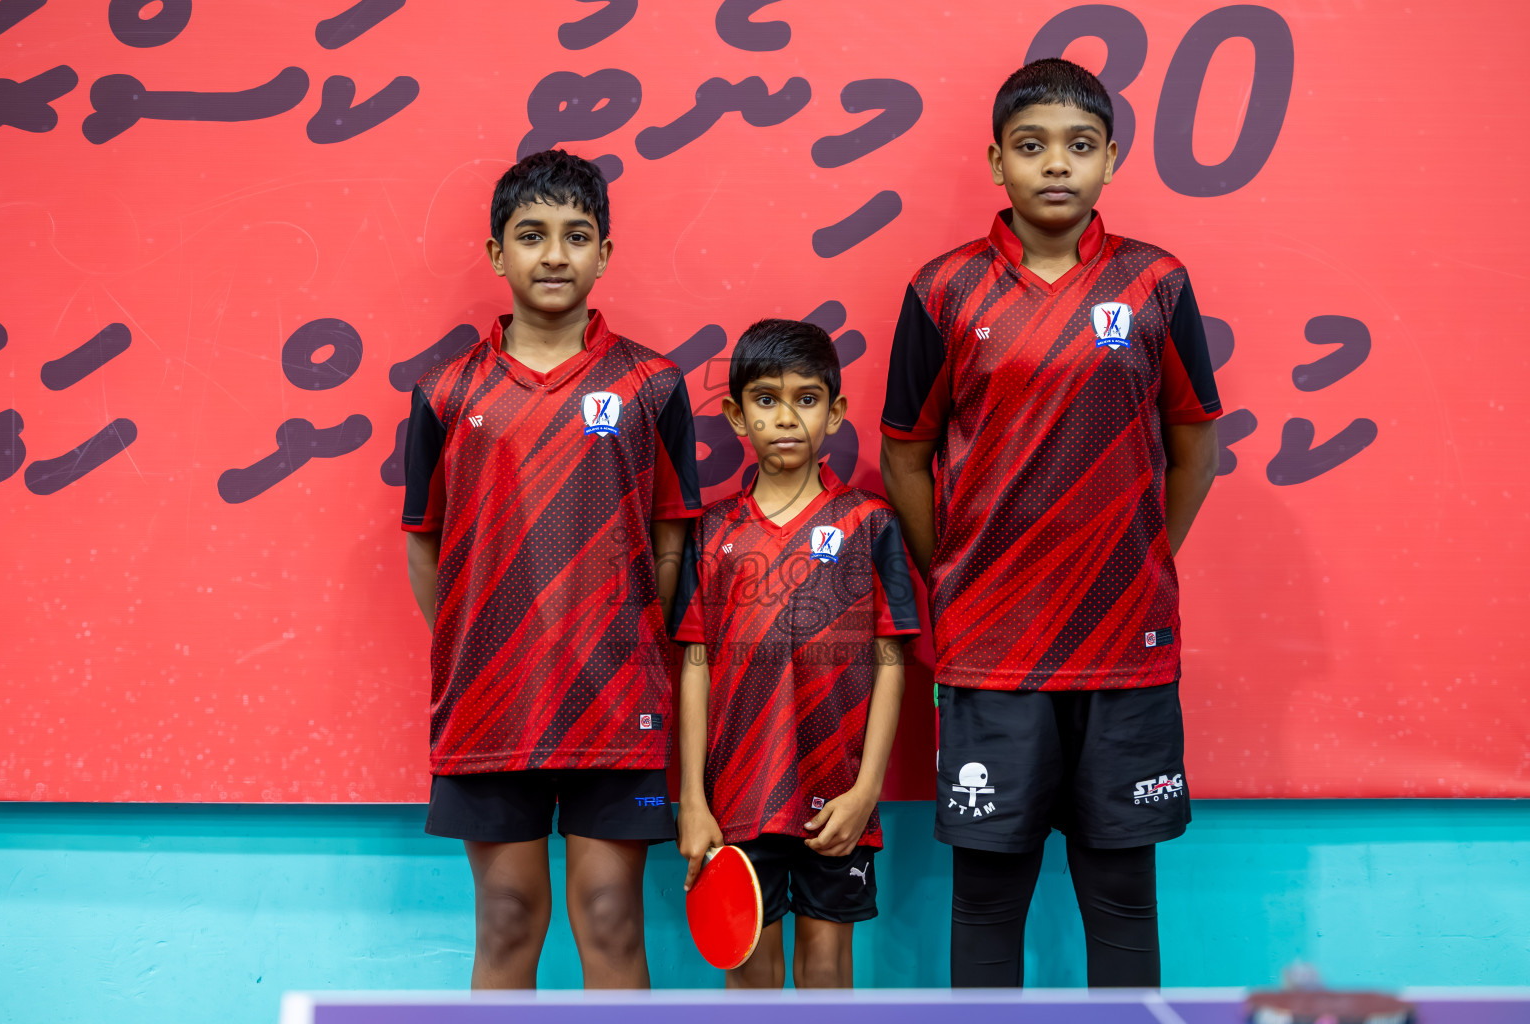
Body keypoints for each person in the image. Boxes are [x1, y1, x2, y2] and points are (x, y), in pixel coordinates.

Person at [878, 58, 1222, 987]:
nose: (1056, 166)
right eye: (1031, 148)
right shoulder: (944, 290)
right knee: (987, 899)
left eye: (1079, 146)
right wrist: (947, 571)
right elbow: (904, 455)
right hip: (992, 644)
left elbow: (1196, 445)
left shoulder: (1157, 285)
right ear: (997, 162)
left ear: (1111, 157)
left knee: (1121, 895)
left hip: (1125, 643)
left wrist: (1141, 552)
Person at [400, 148, 702, 989]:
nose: (555, 255)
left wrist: (627, 638)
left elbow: (672, 536)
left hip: (617, 701)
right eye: (531, 236)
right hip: (490, 702)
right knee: (505, 922)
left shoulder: (652, 385)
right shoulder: (445, 391)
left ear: (605, 252)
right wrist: (483, 642)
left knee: (610, 919)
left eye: (577, 236)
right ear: (497, 253)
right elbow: (425, 544)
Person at [671, 319, 920, 988]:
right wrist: (693, 800)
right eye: (766, 399)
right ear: (736, 414)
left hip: (835, 798)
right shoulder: (712, 531)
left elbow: (891, 662)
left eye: (808, 399)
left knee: (827, 968)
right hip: (740, 797)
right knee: (750, 972)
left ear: (835, 411)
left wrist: (865, 792)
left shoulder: (870, 522)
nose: (787, 417)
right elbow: (693, 663)